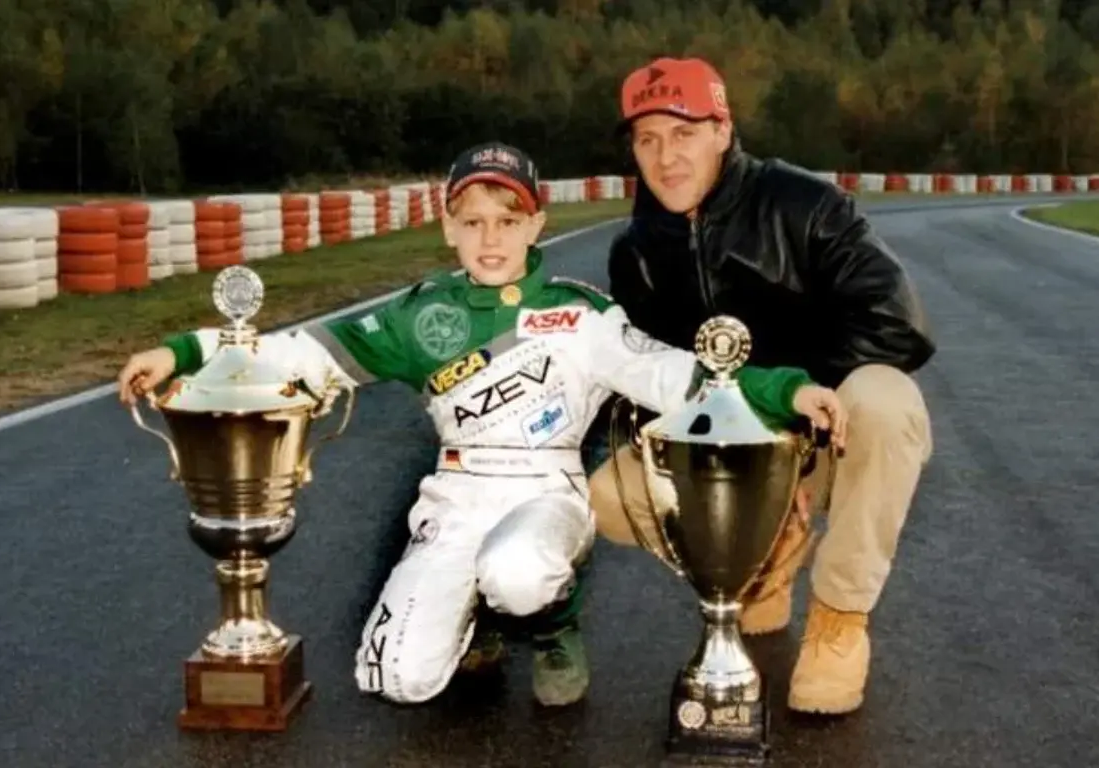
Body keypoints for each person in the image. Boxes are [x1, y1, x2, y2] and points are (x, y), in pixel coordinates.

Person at [116, 141, 849, 710]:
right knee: (393, 679)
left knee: (519, 571)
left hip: (546, 493)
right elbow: (302, 355)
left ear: (536, 222)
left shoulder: (581, 312)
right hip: (456, 496)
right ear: (448, 226)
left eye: (507, 220)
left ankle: (551, 624)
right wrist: (185, 350)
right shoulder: (416, 313)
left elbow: (681, 373)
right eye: (472, 222)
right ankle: (479, 614)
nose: (490, 240)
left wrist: (788, 391)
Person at [585, 57, 936, 716]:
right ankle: (758, 561)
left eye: (684, 133)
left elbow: (901, 326)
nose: (666, 157)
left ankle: (839, 618)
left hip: (828, 431)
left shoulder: (805, 205)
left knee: (888, 402)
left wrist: (795, 437)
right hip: (730, 455)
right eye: (648, 140)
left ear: (723, 129)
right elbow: (642, 385)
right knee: (609, 496)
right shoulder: (634, 252)